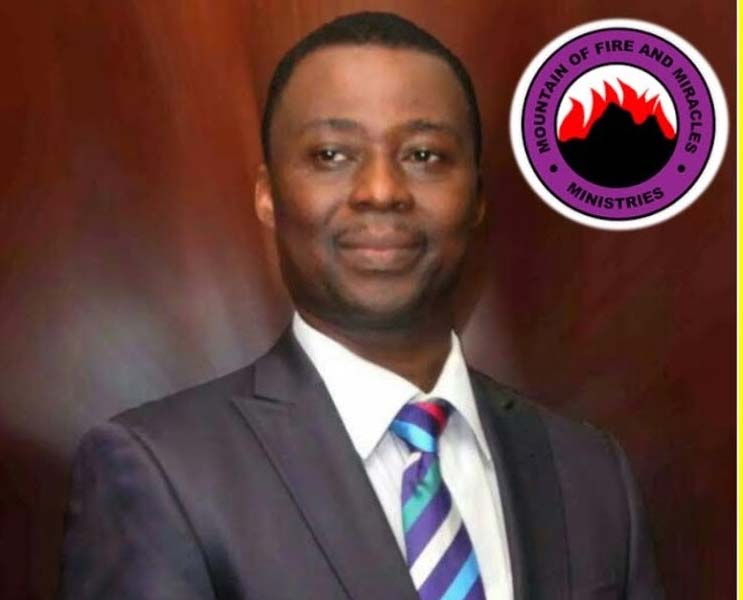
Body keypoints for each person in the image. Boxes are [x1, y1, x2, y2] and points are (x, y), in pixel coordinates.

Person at [58, 11, 664, 600]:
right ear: (268, 194)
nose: (381, 191)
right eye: (332, 155)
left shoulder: (590, 472)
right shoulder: (160, 470)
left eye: (423, 155)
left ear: (477, 197)